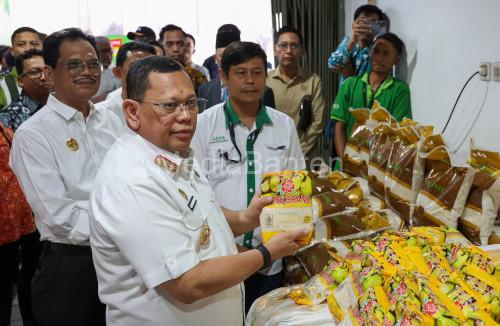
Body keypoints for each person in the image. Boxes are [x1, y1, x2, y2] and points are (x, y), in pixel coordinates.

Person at [89, 55, 307, 325]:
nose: (185, 117)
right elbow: (187, 283)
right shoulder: (134, 181)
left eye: (191, 104)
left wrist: (245, 219)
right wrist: (267, 253)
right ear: (132, 112)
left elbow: (200, 219)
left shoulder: (172, 153)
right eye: (169, 106)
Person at [9, 27, 122, 326]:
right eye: (74, 64)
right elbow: (60, 216)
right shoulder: (33, 135)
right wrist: (126, 227)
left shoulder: (111, 122)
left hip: (123, 259)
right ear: (48, 72)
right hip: (73, 265)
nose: (86, 71)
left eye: (92, 64)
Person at [191, 41, 305, 313]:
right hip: (219, 255)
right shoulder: (204, 125)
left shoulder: (283, 125)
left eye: (257, 72)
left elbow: (296, 187)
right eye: (241, 73)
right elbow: (194, 193)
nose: (250, 80)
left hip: (270, 253)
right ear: (224, 76)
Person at [0, 48, 51, 326]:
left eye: (46, 71)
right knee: (27, 272)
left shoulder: (62, 110)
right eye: (34, 72)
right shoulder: (10, 117)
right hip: (24, 208)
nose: (43, 77)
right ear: (20, 80)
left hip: (54, 204)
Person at [331, 32, 411, 161]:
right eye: (376, 51)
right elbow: (339, 126)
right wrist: (344, 162)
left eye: (386, 53)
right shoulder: (350, 84)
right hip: (345, 163)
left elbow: (397, 134)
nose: (379, 58)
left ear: (397, 60)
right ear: (370, 53)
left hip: (378, 167)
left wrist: (374, 166)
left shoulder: (399, 90)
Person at [267, 26, 325, 158]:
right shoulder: (265, 81)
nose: (288, 51)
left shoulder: (313, 81)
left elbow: (318, 121)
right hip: (272, 155)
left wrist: (298, 150)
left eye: (294, 46)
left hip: (306, 155)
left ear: (302, 50)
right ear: (275, 50)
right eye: (283, 45)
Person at [198, 25, 275, 111]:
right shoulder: (205, 90)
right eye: (222, 56)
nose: (227, 61)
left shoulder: (263, 92)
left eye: (233, 57)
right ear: (215, 59)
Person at [96, 41, 156, 125]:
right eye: (135, 66)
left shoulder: (169, 108)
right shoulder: (101, 114)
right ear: (118, 72)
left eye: (151, 66)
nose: (145, 72)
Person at [328, 4, 385, 82]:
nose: (367, 26)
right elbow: (333, 64)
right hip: (347, 93)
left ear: (379, 26)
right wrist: (353, 39)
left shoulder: (380, 47)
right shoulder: (348, 41)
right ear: (354, 25)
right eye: (362, 22)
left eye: (372, 22)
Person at [1, 27, 43, 109]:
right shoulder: (2, 84)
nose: (28, 49)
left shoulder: (56, 79)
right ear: (12, 51)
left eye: (34, 43)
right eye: (21, 44)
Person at [160, 24, 207, 92]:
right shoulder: (152, 76)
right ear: (161, 45)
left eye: (180, 44)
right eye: (169, 44)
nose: (175, 49)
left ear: (185, 45)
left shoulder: (197, 76)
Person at [92, 36, 121, 102]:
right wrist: (100, 99)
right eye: (103, 51)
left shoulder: (120, 71)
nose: (108, 55)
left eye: (110, 50)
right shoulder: (87, 73)